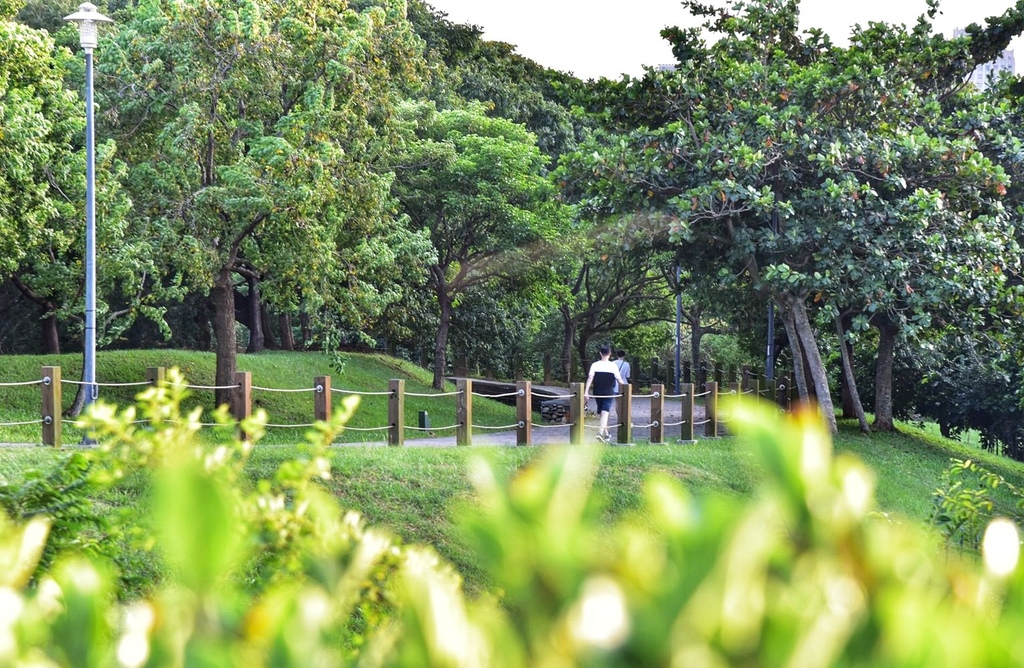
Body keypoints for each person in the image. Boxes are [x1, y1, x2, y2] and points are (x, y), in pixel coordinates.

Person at [583, 345, 624, 443]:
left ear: (600, 353)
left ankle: (606, 434)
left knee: (602, 412)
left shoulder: (595, 365)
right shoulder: (613, 366)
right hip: (609, 392)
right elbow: (619, 380)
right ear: (610, 354)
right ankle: (601, 433)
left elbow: (590, 378)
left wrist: (586, 391)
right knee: (605, 412)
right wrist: (627, 388)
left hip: (597, 392)